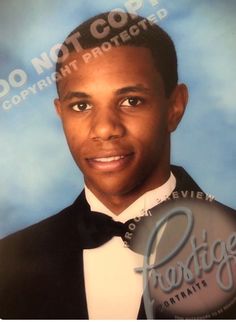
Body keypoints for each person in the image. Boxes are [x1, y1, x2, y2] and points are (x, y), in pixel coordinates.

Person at [0, 11, 234, 319]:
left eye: (131, 101)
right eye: (81, 106)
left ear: (174, 107)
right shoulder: (8, 261)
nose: (104, 128)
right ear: (61, 113)